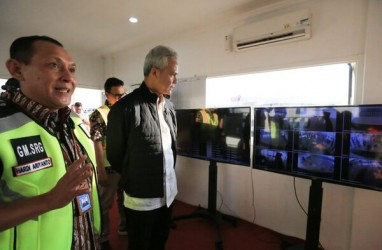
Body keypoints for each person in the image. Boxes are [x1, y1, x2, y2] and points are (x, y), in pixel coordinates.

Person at [0, 35, 101, 250]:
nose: (68, 78)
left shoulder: (74, 121)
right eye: (54, 65)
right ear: (17, 70)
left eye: (72, 70)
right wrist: (49, 201)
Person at [106, 45, 179, 250]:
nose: (176, 80)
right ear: (155, 71)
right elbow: (115, 155)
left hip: (168, 192)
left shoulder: (170, 108)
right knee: (140, 244)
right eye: (172, 74)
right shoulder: (125, 108)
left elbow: (172, 148)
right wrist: (135, 176)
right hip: (141, 197)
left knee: (160, 241)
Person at [89, 77, 127, 250]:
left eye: (123, 94)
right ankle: (102, 238)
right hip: (109, 166)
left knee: (126, 199)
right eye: (116, 95)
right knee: (105, 204)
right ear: (107, 94)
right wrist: (100, 169)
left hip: (126, 164)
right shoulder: (99, 114)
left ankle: (124, 226)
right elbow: (97, 142)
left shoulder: (126, 110)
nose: (120, 98)